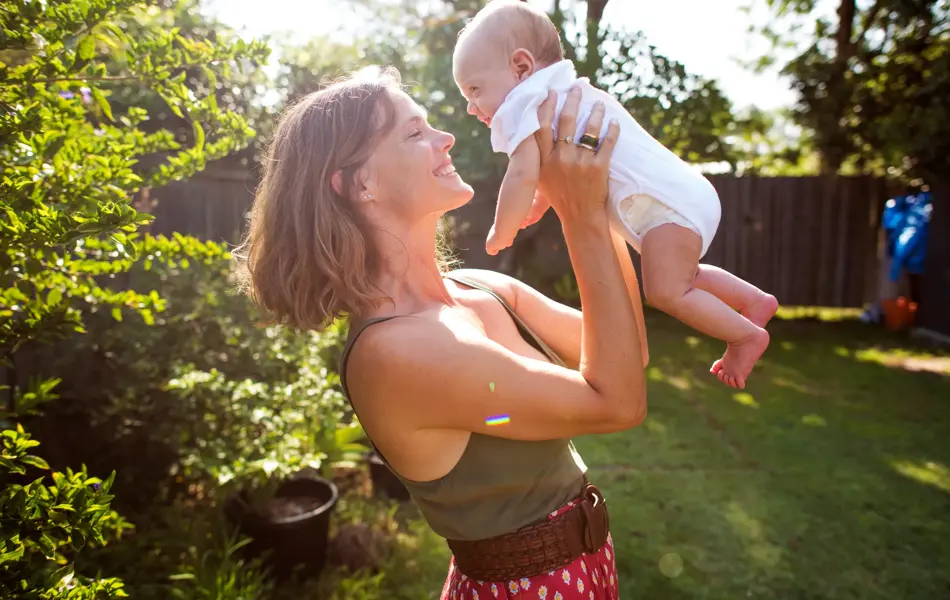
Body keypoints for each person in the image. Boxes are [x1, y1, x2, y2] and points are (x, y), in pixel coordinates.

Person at [234, 65, 648, 600]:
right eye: (414, 132)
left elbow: (628, 352)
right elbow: (618, 403)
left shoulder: (481, 287)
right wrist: (580, 212)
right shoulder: (396, 351)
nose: (446, 137)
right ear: (360, 182)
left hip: (582, 570)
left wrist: (601, 204)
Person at [451, 0, 779, 389]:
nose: (471, 107)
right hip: (680, 195)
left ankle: (745, 335)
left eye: (474, 90)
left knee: (665, 289)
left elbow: (522, 173)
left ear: (521, 68)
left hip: (664, 206)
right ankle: (754, 301)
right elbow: (544, 171)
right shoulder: (566, 90)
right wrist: (542, 200)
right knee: (683, 275)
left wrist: (502, 230)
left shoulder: (526, 101)